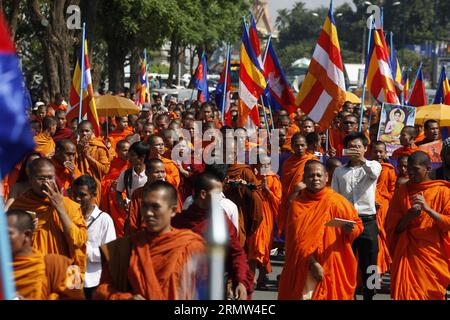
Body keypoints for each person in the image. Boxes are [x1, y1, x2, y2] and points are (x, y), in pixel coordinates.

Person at [94, 181, 205, 300]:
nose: (148, 213)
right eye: (145, 206)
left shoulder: (190, 246)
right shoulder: (126, 247)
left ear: (173, 210)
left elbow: (206, 290)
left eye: (155, 207)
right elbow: (102, 290)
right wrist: (125, 298)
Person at [278, 160, 363, 300]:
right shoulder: (298, 205)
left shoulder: (337, 201)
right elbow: (295, 242)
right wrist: (312, 264)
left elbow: (357, 226)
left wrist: (350, 230)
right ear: (304, 179)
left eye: (319, 175)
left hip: (332, 263)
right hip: (305, 266)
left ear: (326, 177)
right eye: (311, 176)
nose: (315, 179)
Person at [172, 173, 252, 300]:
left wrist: (240, 281)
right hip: (184, 286)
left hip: (215, 285)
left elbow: (236, 253)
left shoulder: (223, 221)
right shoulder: (179, 222)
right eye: (217, 194)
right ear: (203, 194)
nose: (221, 199)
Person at [386, 151, 450, 300]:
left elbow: (448, 224)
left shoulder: (443, 192)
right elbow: (394, 229)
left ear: (428, 168)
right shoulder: (402, 192)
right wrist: (409, 216)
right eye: (409, 169)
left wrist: (428, 210)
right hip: (407, 254)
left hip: (432, 254)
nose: (410, 173)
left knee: (430, 293)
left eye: (415, 169)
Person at [10, 158, 87, 278]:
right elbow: (9, 246)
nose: (46, 183)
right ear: (30, 179)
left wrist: (60, 208)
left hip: (64, 271)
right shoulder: (19, 206)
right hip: (32, 273)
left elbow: (78, 241)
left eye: (50, 178)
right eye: (41, 178)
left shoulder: (69, 206)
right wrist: (29, 234)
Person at [331, 132, 381, 300]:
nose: (355, 150)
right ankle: (348, 295)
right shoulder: (339, 171)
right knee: (347, 261)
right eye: (351, 147)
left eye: (358, 147)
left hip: (368, 221)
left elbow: (373, 175)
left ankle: (371, 295)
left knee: (371, 263)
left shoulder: (373, 165)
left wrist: (362, 160)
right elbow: (335, 196)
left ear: (365, 148)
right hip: (347, 222)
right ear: (345, 149)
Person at [8, 209, 85, 300]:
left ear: (27, 235)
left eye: (7, 233)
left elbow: (78, 297)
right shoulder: (3, 269)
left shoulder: (63, 265)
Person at [72, 175, 116, 299]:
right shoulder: (69, 217)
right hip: (73, 277)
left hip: (94, 280)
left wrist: (82, 250)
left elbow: (109, 254)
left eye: (82, 195)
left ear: (94, 195)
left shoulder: (104, 220)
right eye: (74, 194)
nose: (77, 199)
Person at [248, 153, 282, 289]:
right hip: (254, 216)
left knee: (265, 248)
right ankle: (250, 279)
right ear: (256, 165)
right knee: (252, 248)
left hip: (267, 216)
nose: (266, 167)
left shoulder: (274, 179)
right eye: (263, 164)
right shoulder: (252, 178)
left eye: (268, 164)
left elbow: (279, 202)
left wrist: (268, 191)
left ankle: (261, 279)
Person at [278, 133, 317, 236]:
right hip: (289, 200)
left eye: (302, 145)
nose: (299, 148)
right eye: (296, 145)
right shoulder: (287, 163)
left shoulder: (311, 160)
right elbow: (285, 183)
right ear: (292, 146)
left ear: (307, 146)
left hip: (306, 200)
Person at [371, 141, 396, 275]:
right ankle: (370, 278)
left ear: (386, 153)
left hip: (383, 208)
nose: (378, 154)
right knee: (372, 240)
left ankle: (378, 274)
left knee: (381, 239)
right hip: (368, 207)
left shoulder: (389, 169)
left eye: (381, 151)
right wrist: (370, 200)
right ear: (370, 152)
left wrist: (384, 201)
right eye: (375, 151)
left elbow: (392, 190)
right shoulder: (366, 168)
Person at [125, 158, 167, 234]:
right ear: (147, 173)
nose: (161, 175)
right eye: (157, 172)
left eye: (163, 172)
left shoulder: (169, 192)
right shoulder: (138, 194)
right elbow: (132, 220)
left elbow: (177, 217)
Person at [100, 140, 130, 237]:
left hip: (126, 198)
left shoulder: (132, 164)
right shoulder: (112, 164)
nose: (127, 153)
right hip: (113, 198)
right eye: (124, 150)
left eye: (129, 150)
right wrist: (111, 183)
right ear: (117, 151)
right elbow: (104, 181)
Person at [77, 120, 111, 205]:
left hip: (93, 184)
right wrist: (78, 151)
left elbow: (105, 170)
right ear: (78, 132)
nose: (84, 133)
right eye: (82, 131)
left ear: (93, 132)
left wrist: (88, 157)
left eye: (87, 131)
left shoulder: (99, 147)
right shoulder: (74, 147)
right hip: (78, 183)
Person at [115, 141, 149, 214]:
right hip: (132, 214)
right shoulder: (125, 174)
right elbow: (118, 193)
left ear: (142, 157)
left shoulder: (152, 174)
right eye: (129, 154)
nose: (129, 157)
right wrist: (122, 204)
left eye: (133, 155)